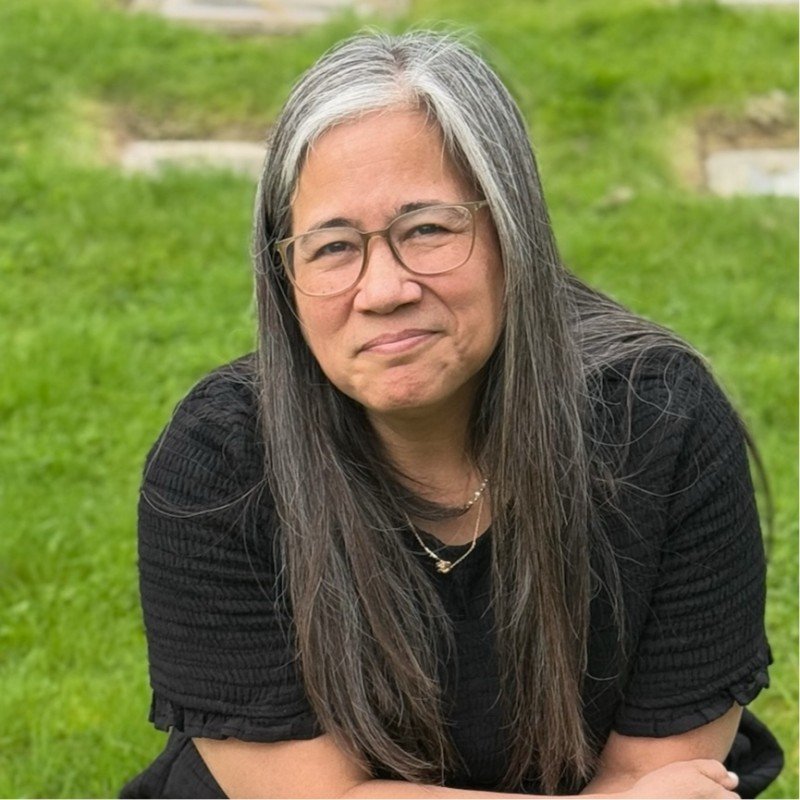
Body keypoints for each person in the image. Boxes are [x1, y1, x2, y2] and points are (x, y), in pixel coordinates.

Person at [120, 31, 782, 799]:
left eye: (428, 229)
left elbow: (663, 776)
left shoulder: (660, 425)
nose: (383, 288)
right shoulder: (219, 469)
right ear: (285, 276)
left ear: (513, 233)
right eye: (334, 248)